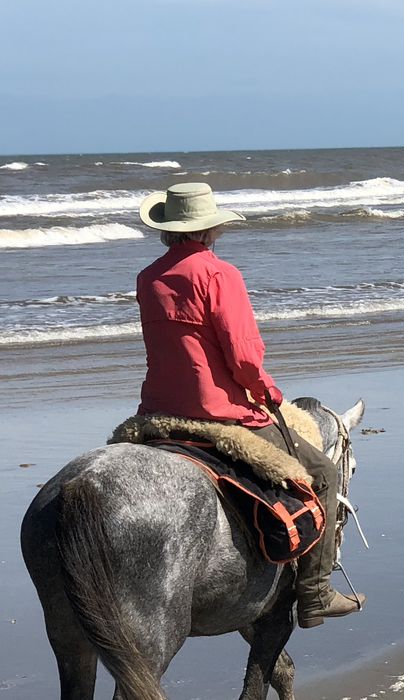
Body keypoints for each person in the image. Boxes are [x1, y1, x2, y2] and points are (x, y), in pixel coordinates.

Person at [136, 182, 365, 629]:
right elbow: (242, 355)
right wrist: (269, 394)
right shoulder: (220, 275)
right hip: (216, 410)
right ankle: (315, 594)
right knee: (322, 473)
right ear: (212, 228)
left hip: (158, 408)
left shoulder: (148, 277)